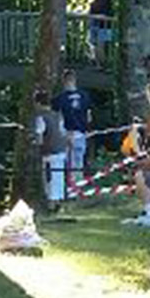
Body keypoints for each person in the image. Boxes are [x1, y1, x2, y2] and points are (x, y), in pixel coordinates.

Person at [39, 69, 94, 202]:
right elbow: (89, 116)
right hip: (81, 134)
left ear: (64, 81)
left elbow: (56, 119)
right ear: (75, 80)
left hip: (66, 134)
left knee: (65, 166)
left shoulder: (59, 99)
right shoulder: (85, 96)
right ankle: (77, 191)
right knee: (78, 163)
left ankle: (67, 192)